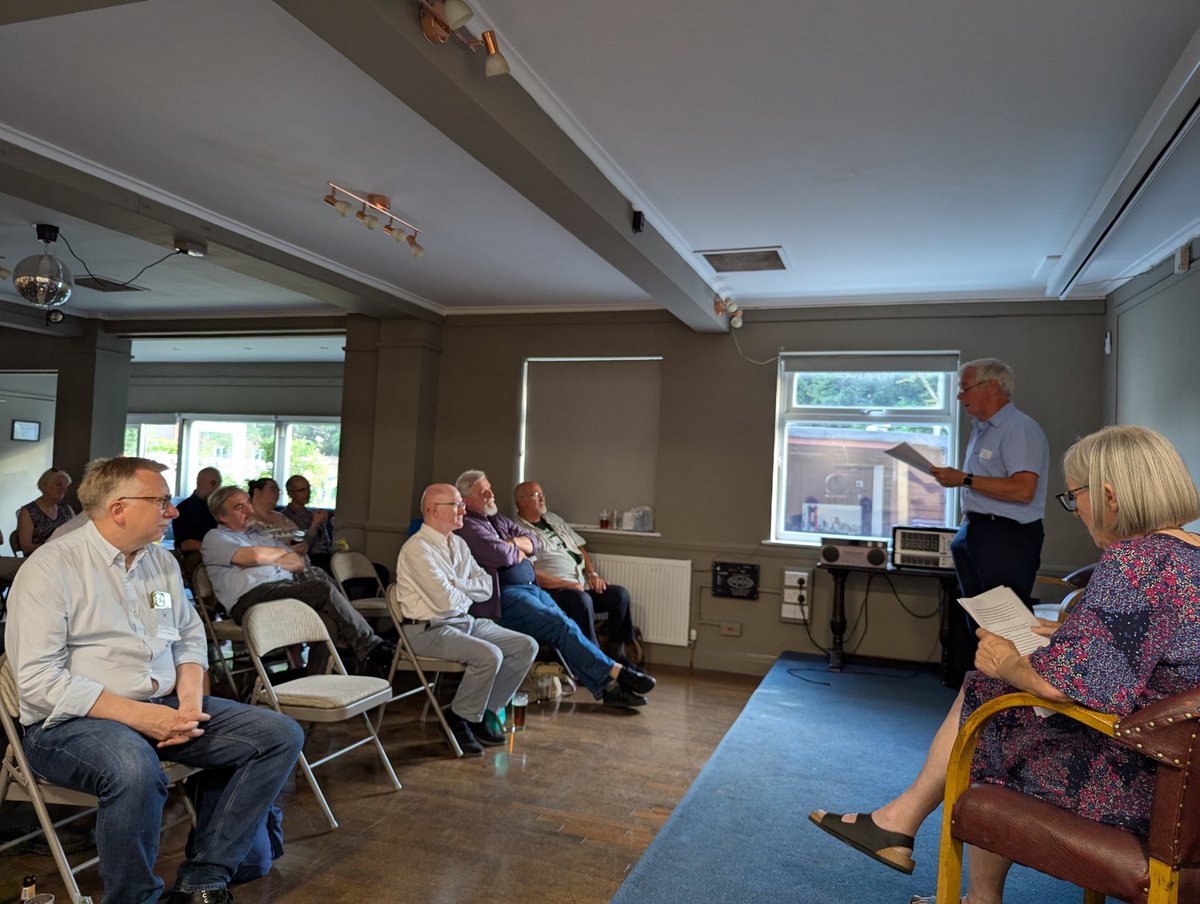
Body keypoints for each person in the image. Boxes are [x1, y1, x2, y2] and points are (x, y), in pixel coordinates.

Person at [810, 425, 1200, 904]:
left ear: (1110, 496)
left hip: (1145, 787)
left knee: (988, 706)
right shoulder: (1187, 555)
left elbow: (1063, 687)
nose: (1074, 508)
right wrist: (1075, 633)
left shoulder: (1136, 561)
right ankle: (903, 826)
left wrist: (1005, 661)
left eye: (1073, 495)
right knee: (996, 703)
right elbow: (1170, 647)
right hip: (1187, 781)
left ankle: (918, 841)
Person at [5, 456, 304, 904]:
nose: (175, 511)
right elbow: (37, 681)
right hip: (68, 723)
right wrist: (141, 717)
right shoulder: (52, 568)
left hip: (160, 704)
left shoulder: (159, 563)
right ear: (119, 508)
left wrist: (188, 701)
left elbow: (185, 635)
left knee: (278, 733)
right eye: (161, 501)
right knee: (133, 768)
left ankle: (204, 876)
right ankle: (134, 897)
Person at [454, 469, 655, 708]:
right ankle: (616, 673)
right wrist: (516, 550)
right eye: (483, 492)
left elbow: (534, 541)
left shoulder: (495, 518)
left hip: (530, 589)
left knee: (567, 626)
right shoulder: (467, 525)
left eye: (489, 488)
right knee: (560, 625)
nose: (491, 494)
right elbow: (500, 554)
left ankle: (609, 686)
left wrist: (515, 544)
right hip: (504, 597)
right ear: (466, 500)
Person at [930, 358, 1048, 688]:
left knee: (1005, 624)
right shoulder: (981, 431)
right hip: (977, 531)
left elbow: (1024, 488)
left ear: (991, 387)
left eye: (965, 388)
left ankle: (1012, 697)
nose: (959, 396)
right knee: (978, 623)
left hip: (1006, 537)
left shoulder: (1018, 428)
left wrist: (963, 479)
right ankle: (983, 693)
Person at [394, 483, 537, 755]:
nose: (463, 509)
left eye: (462, 503)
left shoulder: (458, 543)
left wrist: (457, 584)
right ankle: (457, 719)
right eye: (456, 504)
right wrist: (464, 591)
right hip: (426, 631)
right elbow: (445, 602)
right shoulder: (417, 549)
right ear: (434, 510)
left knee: (526, 646)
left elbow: (486, 587)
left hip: (462, 622)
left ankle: (484, 713)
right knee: (489, 655)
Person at [200, 486, 394, 677]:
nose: (249, 510)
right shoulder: (215, 538)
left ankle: (315, 683)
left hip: (284, 590)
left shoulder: (260, 535)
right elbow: (257, 556)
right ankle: (372, 647)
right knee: (322, 589)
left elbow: (297, 562)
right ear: (222, 516)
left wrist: (266, 556)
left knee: (327, 624)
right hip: (249, 600)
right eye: (239, 507)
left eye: (248, 502)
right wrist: (273, 555)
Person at [512, 480, 637, 662]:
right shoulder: (517, 530)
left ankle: (618, 658)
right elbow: (529, 573)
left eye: (542, 494)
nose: (543, 499)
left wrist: (592, 574)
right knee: (582, 599)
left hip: (579, 583)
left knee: (620, 595)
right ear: (522, 501)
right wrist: (567, 584)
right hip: (553, 589)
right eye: (537, 495)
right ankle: (593, 661)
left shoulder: (553, 519)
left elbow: (580, 547)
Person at [16, 467, 75, 556]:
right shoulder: (28, 512)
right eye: (58, 484)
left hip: (66, 557)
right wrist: (55, 548)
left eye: (65, 485)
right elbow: (26, 547)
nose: (63, 488)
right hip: (39, 560)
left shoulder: (67, 509)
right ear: (45, 486)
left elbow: (78, 535)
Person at [173, 467, 222, 576]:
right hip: (196, 556)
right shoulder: (184, 509)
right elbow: (186, 544)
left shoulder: (215, 508)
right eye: (219, 486)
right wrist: (220, 548)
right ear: (213, 484)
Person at [282, 474, 334, 573]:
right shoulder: (285, 518)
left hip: (326, 558)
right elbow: (298, 544)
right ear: (290, 493)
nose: (307, 493)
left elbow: (326, 543)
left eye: (308, 489)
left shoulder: (312, 514)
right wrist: (315, 524)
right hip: (308, 560)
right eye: (302, 490)